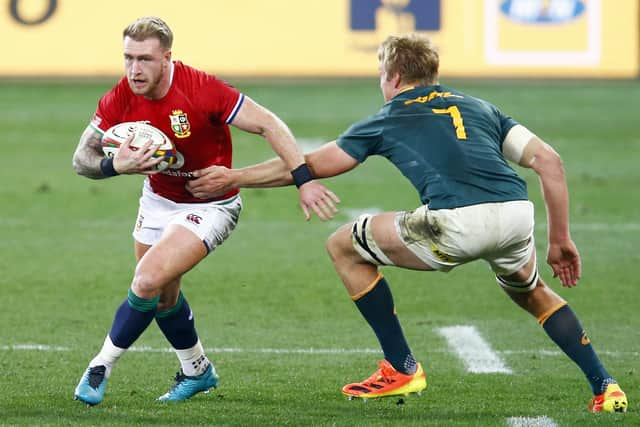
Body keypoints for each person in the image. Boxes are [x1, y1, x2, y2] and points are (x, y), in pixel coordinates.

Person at [187, 34, 628, 413]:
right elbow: (548, 162)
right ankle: (605, 387)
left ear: (393, 77)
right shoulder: (479, 107)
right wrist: (561, 240)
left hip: (455, 222)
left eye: (381, 75)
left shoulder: (390, 115)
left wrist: (236, 176)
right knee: (532, 292)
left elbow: (314, 165)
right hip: (515, 215)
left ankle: (401, 367)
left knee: (343, 245)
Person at [71, 16, 339, 406]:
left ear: (167, 58)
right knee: (162, 297)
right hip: (158, 200)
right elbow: (82, 159)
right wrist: (116, 166)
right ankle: (197, 370)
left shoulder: (202, 89)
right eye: (128, 58)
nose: (134, 69)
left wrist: (304, 179)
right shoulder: (119, 97)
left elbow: (269, 123)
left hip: (211, 205)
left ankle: (100, 366)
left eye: (145, 59)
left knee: (146, 280)